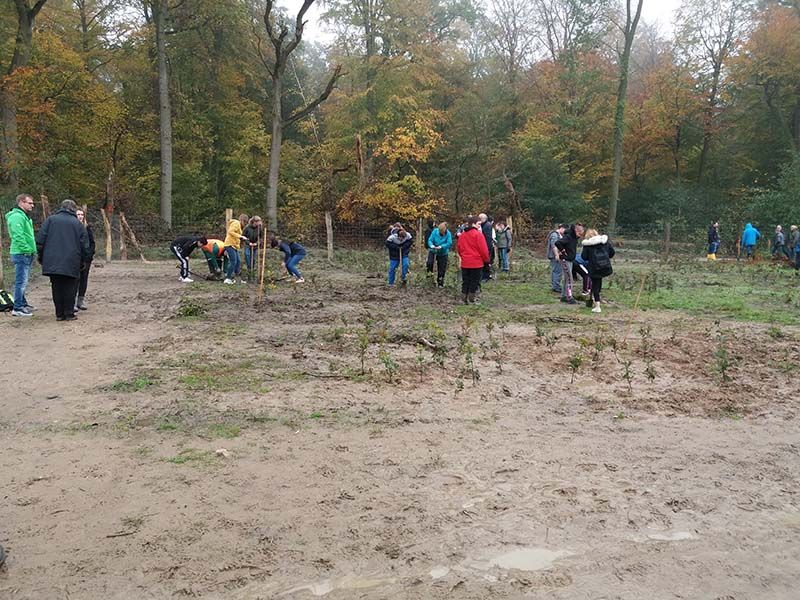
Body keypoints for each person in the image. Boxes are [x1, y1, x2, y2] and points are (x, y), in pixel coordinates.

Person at [35, 199, 90, 321]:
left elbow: (40, 240)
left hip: (52, 260)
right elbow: (85, 245)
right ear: (73, 209)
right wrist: (84, 260)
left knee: (56, 286)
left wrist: (41, 256)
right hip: (72, 260)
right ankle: (69, 313)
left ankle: (59, 313)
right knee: (70, 286)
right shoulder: (77, 224)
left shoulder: (50, 220)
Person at [5, 192, 37, 317]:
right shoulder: (17, 217)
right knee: (21, 281)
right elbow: (18, 236)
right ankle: (17, 307)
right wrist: (26, 249)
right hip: (21, 252)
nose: (32, 205)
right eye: (30, 203)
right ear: (21, 202)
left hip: (25, 252)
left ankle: (22, 303)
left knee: (23, 280)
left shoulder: (23, 216)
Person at [581, 228, 616, 313]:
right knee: (598, 284)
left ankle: (597, 306)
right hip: (605, 267)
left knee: (595, 285)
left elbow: (584, 257)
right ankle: (595, 299)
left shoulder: (588, 245)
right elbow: (612, 252)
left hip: (594, 268)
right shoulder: (604, 242)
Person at [457, 215, 490, 304]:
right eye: (478, 223)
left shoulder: (462, 235)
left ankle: (463, 298)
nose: (480, 225)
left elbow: (459, 249)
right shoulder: (478, 235)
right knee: (474, 281)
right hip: (476, 262)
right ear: (473, 224)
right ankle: (471, 299)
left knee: (465, 281)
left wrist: (463, 256)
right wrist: (487, 260)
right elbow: (483, 250)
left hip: (465, 262)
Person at [553, 222, 585, 304]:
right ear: (575, 231)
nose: (580, 235)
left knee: (567, 278)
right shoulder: (568, 237)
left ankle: (564, 296)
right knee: (569, 279)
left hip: (570, 260)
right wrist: (563, 251)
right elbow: (557, 243)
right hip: (565, 260)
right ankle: (569, 297)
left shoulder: (574, 238)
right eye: (579, 233)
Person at [74, 208, 95, 311]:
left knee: (83, 279)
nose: (80, 216)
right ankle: (72, 301)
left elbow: (92, 243)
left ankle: (80, 301)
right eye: (78, 214)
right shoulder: (72, 228)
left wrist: (90, 255)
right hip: (75, 258)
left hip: (86, 259)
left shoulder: (87, 228)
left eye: (82, 214)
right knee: (74, 280)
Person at [223, 214, 249, 284]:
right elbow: (230, 231)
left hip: (234, 246)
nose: (245, 224)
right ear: (242, 220)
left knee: (238, 261)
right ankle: (228, 278)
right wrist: (240, 236)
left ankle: (237, 279)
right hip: (229, 244)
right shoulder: (236, 223)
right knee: (233, 261)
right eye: (245, 222)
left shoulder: (239, 226)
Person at [427, 222, 452, 287]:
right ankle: (430, 279)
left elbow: (449, 243)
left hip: (443, 253)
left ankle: (440, 282)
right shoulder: (435, 231)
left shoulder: (448, 234)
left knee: (441, 268)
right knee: (429, 263)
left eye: (442, 232)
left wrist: (441, 246)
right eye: (440, 231)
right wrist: (431, 245)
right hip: (433, 250)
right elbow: (430, 240)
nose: (441, 233)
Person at [546, 224, 565, 293]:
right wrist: (557, 255)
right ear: (562, 228)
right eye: (565, 230)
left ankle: (555, 286)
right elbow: (554, 246)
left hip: (555, 255)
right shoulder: (554, 235)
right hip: (554, 256)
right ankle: (556, 287)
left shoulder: (558, 235)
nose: (565, 232)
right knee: (557, 271)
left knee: (556, 271)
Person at [479, 213, 495, 281]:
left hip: (487, 246)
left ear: (483, 219)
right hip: (485, 246)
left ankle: (486, 276)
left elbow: (487, 238)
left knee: (486, 262)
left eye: (479, 218)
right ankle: (484, 275)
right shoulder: (484, 225)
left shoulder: (487, 226)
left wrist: (487, 248)